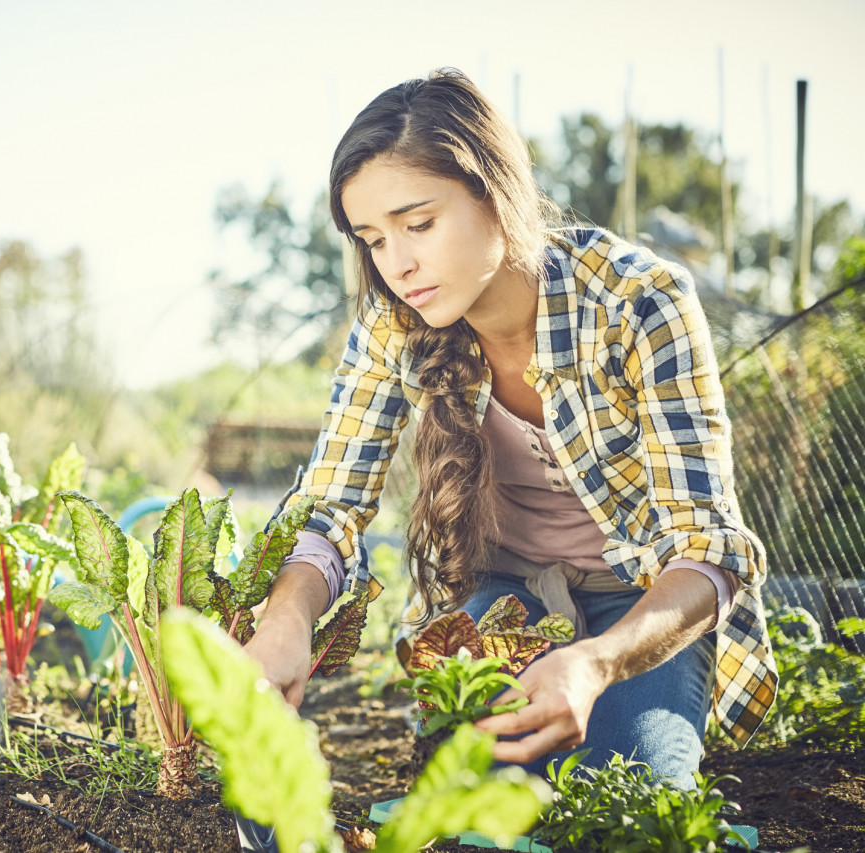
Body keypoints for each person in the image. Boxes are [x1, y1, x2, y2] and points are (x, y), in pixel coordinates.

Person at [244, 68, 778, 791]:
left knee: (626, 794)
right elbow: (332, 506)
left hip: (638, 598)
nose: (397, 264)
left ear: (499, 195)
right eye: (372, 239)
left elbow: (706, 550)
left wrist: (596, 662)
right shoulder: (391, 325)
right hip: (500, 600)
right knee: (492, 796)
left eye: (419, 224)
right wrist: (285, 620)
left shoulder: (637, 302)